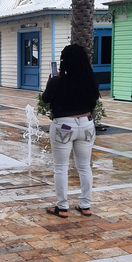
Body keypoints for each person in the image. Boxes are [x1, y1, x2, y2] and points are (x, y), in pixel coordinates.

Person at [42, 44, 100, 218]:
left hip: (64, 126)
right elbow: (94, 102)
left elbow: (45, 99)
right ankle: (85, 205)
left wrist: (50, 81)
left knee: (61, 168)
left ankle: (62, 207)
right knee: (84, 167)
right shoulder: (90, 80)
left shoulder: (58, 81)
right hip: (86, 124)